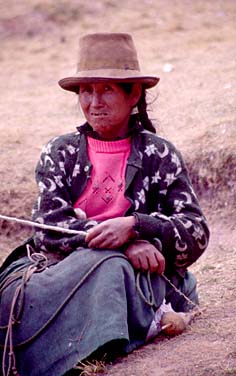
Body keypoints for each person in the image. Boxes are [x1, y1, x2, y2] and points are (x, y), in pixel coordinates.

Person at [0, 33, 209, 376]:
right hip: (65, 274)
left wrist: (138, 225)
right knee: (15, 297)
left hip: (135, 276)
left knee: (112, 271)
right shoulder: (60, 153)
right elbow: (47, 229)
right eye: (87, 90)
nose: (94, 102)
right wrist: (124, 242)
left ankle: (92, 347)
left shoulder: (160, 154)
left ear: (134, 94)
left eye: (107, 89)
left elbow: (196, 232)